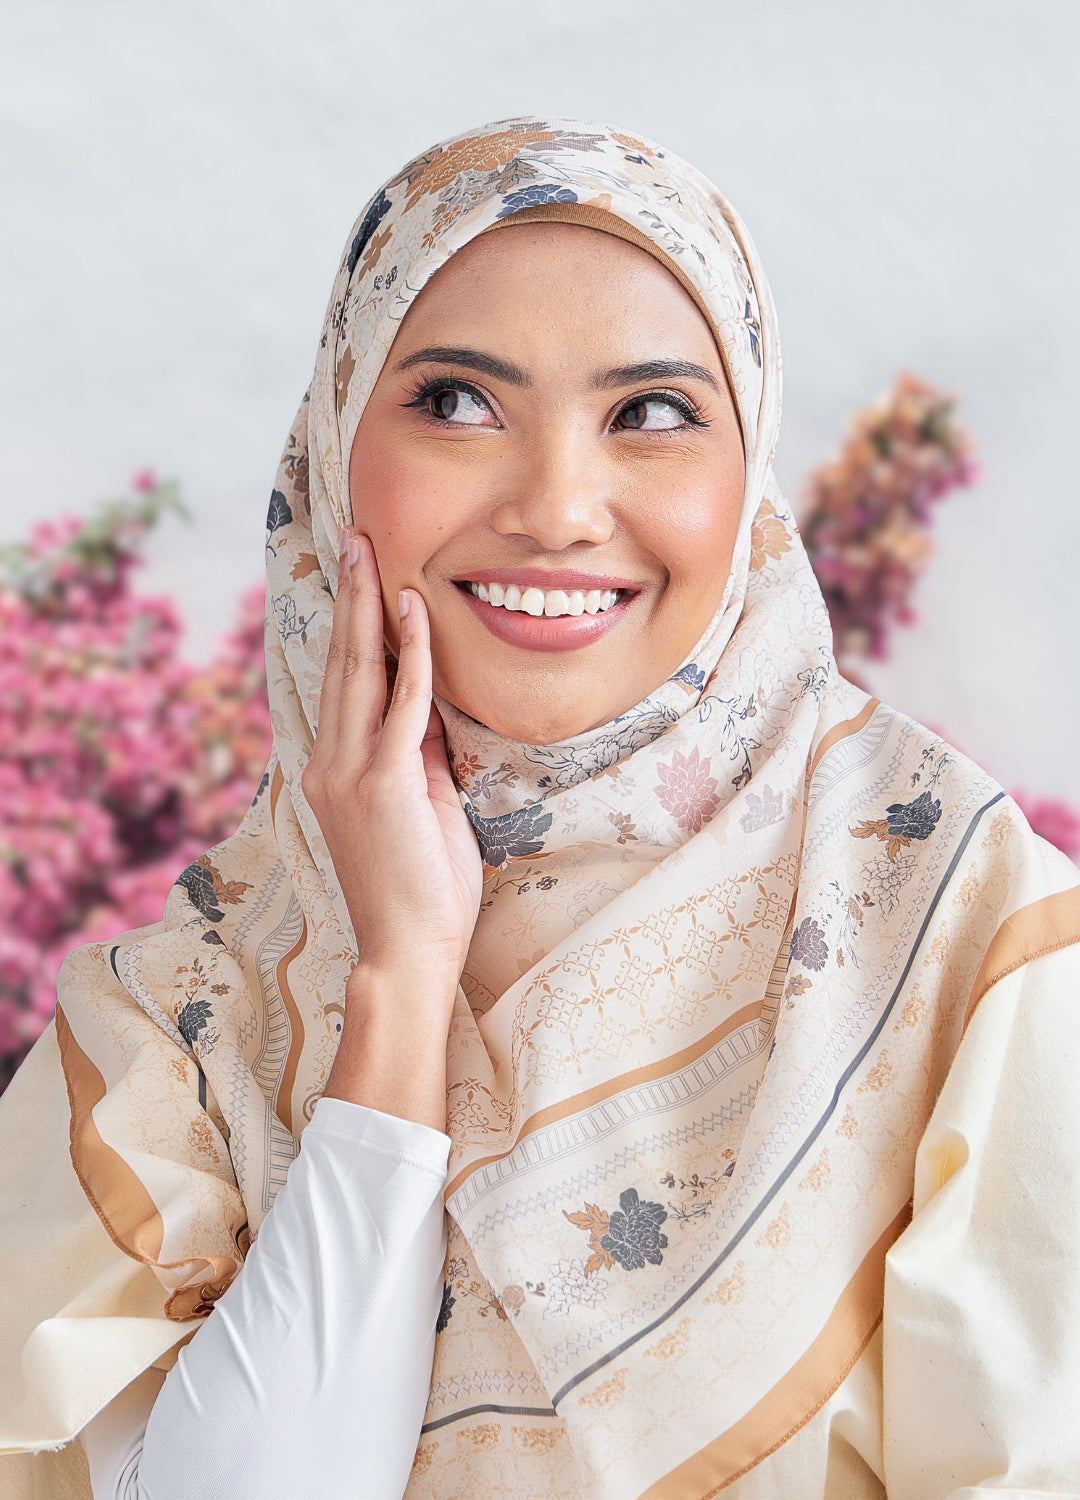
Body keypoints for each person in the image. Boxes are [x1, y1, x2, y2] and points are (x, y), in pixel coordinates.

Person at [1, 116, 1078, 1500]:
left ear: (746, 475)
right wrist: (395, 980)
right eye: (457, 402)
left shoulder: (955, 927)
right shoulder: (191, 1005)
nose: (561, 508)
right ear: (334, 445)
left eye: (651, 413)